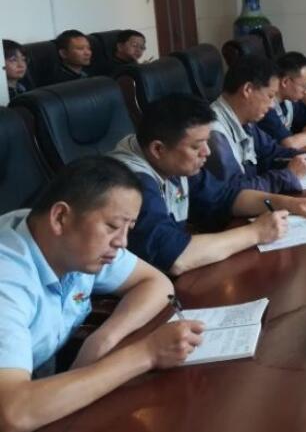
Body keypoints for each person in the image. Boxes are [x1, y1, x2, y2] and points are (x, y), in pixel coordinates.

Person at [0, 157, 204, 432]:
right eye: (112, 226)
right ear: (60, 218)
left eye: (128, 228)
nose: (122, 242)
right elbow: (13, 412)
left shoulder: (69, 243)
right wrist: (147, 353)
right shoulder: (8, 278)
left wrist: (103, 339)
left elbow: (156, 283)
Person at [110, 94, 306, 275]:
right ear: (158, 149)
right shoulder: (130, 183)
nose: (207, 152)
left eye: (206, 141)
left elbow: (227, 196)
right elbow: (176, 258)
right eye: (196, 146)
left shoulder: (170, 159)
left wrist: (288, 203)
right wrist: (256, 233)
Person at [206, 55, 306, 195]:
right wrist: (288, 175)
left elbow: (273, 153)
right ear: (248, 89)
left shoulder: (245, 121)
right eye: (270, 96)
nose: (272, 105)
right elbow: (235, 192)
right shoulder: (214, 133)